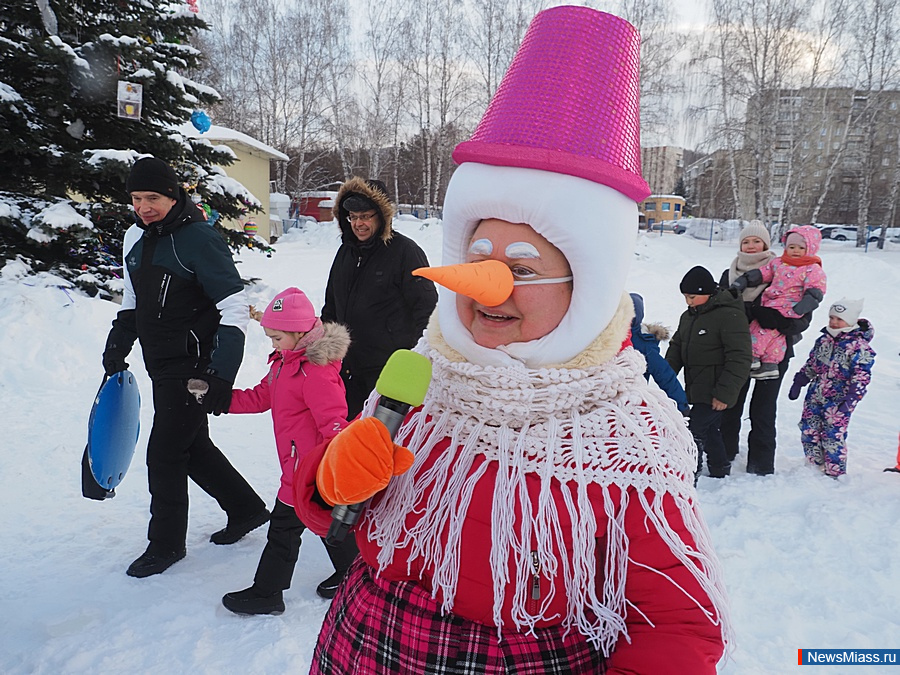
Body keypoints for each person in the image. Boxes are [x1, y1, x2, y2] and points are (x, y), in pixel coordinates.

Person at [294, 8, 728, 673]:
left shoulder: (627, 437)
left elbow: (675, 623)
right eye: (476, 257)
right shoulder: (420, 374)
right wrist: (330, 480)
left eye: (520, 269)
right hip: (362, 649)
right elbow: (336, 510)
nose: (484, 287)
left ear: (587, 281)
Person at [102, 156, 268, 578]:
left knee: (165, 453)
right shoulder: (133, 238)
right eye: (137, 199)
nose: (144, 207)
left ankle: (166, 545)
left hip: (195, 365)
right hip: (161, 362)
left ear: (173, 196)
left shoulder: (199, 239)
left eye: (152, 198)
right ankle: (246, 509)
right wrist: (119, 341)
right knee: (192, 447)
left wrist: (220, 374)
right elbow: (133, 298)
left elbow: (233, 307)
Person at [219, 288, 356, 613]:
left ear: (299, 333)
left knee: (287, 529)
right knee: (327, 527)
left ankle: (268, 593)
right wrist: (221, 400)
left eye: (277, 337)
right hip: (297, 467)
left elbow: (335, 424)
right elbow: (260, 397)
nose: (272, 344)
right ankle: (353, 575)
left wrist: (337, 469)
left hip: (311, 471)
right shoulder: (285, 363)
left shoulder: (315, 372)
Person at [321, 178, 438, 419]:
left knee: (383, 443)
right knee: (347, 440)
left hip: (388, 372)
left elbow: (427, 312)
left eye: (365, 216)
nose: (358, 223)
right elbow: (331, 306)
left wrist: (415, 362)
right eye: (352, 217)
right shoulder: (345, 252)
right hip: (347, 370)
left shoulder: (406, 252)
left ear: (382, 216)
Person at [719, 221, 812, 475]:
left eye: (756, 242)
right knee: (731, 403)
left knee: (763, 407)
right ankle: (724, 453)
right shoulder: (729, 274)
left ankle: (760, 463)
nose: (750, 247)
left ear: (766, 245)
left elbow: (803, 320)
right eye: (746, 242)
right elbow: (718, 310)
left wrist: (775, 320)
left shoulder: (786, 270)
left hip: (776, 351)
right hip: (736, 352)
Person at [666, 266, 752, 479]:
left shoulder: (729, 315)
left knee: (693, 430)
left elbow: (740, 358)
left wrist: (724, 394)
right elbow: (677, 346)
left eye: (692, 296)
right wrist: (666, 376)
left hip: (717, 389)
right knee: (710, 430)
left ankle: (689, 472)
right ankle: (719, 467)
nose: (688, 301)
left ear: (707, 292)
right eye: (685, 297)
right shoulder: (689, 316)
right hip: (697, 386)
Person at [788, 298, 875, 477]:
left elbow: (861, 377)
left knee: (832, 435)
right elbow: (813, 363)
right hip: (816, 394)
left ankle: (834, 472)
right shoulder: (824, 340)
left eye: (839, 319)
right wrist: (800, 380)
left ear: (850, 321)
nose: (834, 322)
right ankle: (813, 466)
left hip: (839, 398)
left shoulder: (859, 347)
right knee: (808, 429)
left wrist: (851, 399)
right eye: (831, 318)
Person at [730, 225, 826, 380]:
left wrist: (803, 306)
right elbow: (763, 273)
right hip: (773, 304)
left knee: (759, 330)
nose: (795, 251)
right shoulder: (779, 263)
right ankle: (770, 364)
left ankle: (752, 356)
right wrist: (745, 280)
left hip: (790, 306)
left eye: (800, 247)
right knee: (775, 337)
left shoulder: (812, 269)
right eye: (791, 247)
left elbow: (816, 289)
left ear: (810, 249)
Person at [629, 293, 690, 414]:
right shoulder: (607, 336)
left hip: (630, 401)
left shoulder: (643, 344)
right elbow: (666, 376)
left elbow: (665, 376)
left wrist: (681, 405)